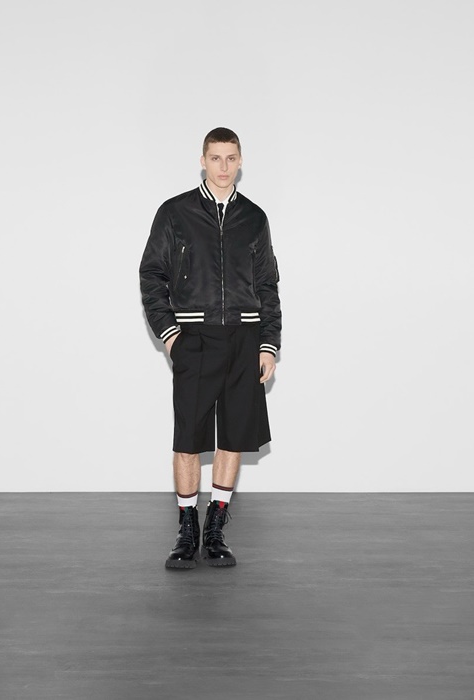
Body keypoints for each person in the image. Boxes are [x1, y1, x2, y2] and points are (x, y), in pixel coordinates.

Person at [139, 127, 281, 569]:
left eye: (231, 158)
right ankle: (187, 530)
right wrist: (171, 335)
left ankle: (216, 527)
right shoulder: (175, 212)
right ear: (202, 161)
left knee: (233, 435)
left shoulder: (254, 218)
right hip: (195, 339)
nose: (223, 166)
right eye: (215, 158)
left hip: (244, 336)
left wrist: (268, 344)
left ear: (241, 161)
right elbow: (151, 275)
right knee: (189, 438)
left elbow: (267, 284)